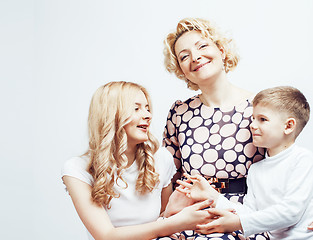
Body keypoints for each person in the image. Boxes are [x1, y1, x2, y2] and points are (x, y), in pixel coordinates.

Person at [159, 17, 269, 239]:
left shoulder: (259, 106)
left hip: (240, 213)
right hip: (189, 213)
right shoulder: (179, 112)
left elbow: (284, 165)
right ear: (182, 70)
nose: (195, 57)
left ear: (221, 51)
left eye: (202, 46)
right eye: (184, 56)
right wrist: (167, 217)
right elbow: (170, 176)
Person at [61, 81, 213, 240]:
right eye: (136, 108)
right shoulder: (77, 169)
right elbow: (106, 236)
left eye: (147, 108)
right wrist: (175, 223)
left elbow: (161, 220)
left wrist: (170, 215)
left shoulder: (161, 159)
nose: (148, 115)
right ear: (112, 115)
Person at [177, 86, 313, 240]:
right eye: (253, 118)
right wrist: (213, 197)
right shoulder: (256, 170)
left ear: (288, 126)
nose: (253, 125)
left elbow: (290, 212)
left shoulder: (303, 160)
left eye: (262, 119)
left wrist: (238, 223)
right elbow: (249, 212)